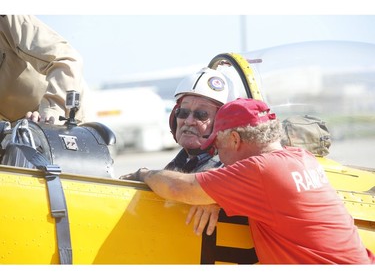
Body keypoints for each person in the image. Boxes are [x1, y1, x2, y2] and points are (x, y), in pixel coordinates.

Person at [120, 97, 375, 264]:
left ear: (234, 140)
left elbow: (180, 188)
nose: (218, 153)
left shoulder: (260, 171)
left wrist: (144, 173)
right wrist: (216, 198)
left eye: (218, 143)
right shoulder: (301, 157)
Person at [164, 67, 233, 236]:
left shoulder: (233, 169)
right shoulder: (176, 165)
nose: (188, 121)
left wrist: (216, 197)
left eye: (201, 114)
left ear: (222, 123)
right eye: (183, 112)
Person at [0, 15, 87, 125]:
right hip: (17, 133)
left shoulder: (7, 19)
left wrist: (51, 111)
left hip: (66, 122)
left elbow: (66, 58)